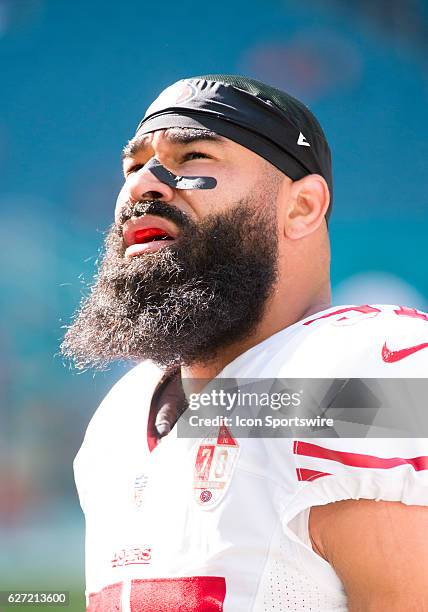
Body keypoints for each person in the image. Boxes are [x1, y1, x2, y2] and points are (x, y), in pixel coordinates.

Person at [62, 75, 428, 611]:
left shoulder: (362, 373)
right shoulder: (117, 423)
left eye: (193, 158)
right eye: (133, 166)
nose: (144, 185)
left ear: (302, 206)